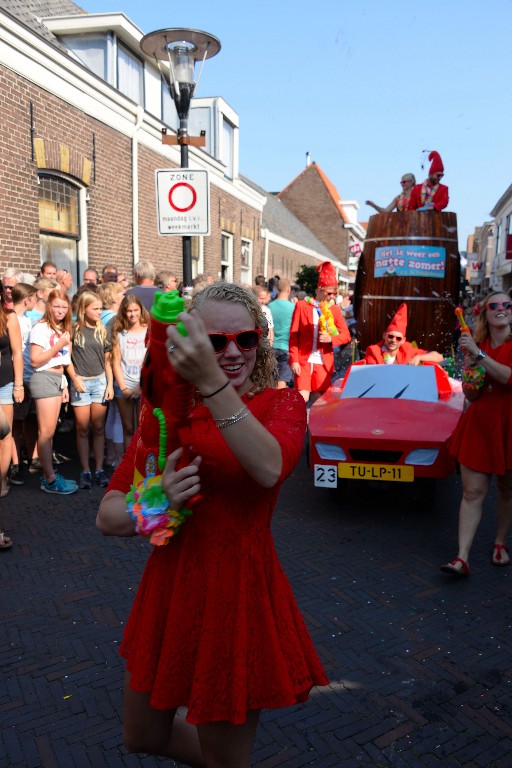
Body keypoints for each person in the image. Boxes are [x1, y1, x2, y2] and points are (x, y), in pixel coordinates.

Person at [96, 282, 328, 765]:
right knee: (141, 736)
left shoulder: (282, 405)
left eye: (244, 340)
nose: (232, 352)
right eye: (215, 342)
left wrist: (211, 383)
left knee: (225, 756)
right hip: (169, 586)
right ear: (190, 342)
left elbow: (268, 467)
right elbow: (109, 515)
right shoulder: (162, 417)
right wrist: (152, 507)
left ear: (259, 343)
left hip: (236, 591)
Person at [441, 292, 512, 577]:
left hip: (508, 426)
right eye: (494, 306)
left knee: (507, 490)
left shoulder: (485, 349)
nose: (501, 309)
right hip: (481, 426)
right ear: (485, 314)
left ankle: (499, 542)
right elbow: (471, 394)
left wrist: (480, 358)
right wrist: (471, 372)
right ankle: (462, 557)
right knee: (471, 493)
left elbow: (508, 377)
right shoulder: (477, 345)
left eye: (507, 305)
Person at [29, 288, 78, 494]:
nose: (60, 310)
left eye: (64, 307)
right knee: (45, 432)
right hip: (44, 378)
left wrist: (65, 384)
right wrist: (59, 344)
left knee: (50, 434)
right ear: (49, 306)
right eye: (56, 306)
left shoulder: (62, 328)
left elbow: (63, 360)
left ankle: (49, 475)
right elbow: (35, 360)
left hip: (57, 379)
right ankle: (50, 479)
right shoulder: (41, 327)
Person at [68, 292, 114, 489]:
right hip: (81, 383)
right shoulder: (73, 329)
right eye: (95, 308)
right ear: (84, 309)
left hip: (100, 382)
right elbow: (66, 358)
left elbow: (108, 361)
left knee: (98, 427)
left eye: (100, 308)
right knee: (82, 428)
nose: (99, 312)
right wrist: (74, 378)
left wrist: (110, 384)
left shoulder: (103, 330)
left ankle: (99, 469)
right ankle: (85, 469)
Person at [289, 261, 350, 403]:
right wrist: (294, 360)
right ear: (320, 289)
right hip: (303, 361)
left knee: (319, 401)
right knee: (301, 399)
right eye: (330, 293)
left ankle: (314, 426)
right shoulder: (302, 306)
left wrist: (331, 339)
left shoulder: (334, 310)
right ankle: (299, 425)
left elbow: (346, 336)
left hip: (323, 362)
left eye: (335, 293)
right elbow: (293, 336)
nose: (332, 297)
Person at [111, 294, 149, 449]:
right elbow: (116, 362)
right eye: (129, 311)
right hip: (124, 385)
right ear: (124, 312)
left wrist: (140, 387)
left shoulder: (148, 331)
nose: (133, 314)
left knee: (143, 428)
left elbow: (151, 361)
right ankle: (128, 464)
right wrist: (123, 387)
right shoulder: (120, 333)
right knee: (128, 428)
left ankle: (140, 465)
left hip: (143, 385)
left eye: (136, 310)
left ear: (141, 310)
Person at [10, 283, 38, 486]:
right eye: (34, 297)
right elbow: (15, 353)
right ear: (27, 299)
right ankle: (15, 464)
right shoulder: (14, 320)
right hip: (20, 378)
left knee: (30, 420)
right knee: (16, 424)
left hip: (32, 378)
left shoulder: (28, 320)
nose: (36, 301)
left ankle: (32, 458)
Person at [0, 281, 24, 497]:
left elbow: (17, 353)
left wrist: (18, 385)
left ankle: (2, 480)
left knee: (4, 433)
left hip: (5, 382)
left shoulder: (9, 317)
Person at [364, 303, 444, 365]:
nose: (393, 340)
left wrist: (419, 357)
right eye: (390, 336)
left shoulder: (407, 349)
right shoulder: (373, 351)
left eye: (398, 338)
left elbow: (439, 357)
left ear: (403, 340)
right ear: (384, 335)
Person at [269, 278, 294, 388]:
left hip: (271, 346)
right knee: (282, 380)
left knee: (271, 379)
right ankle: (279, 405)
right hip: (286, 347)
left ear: (276, 289)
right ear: (288, 290)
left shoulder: (269, 306)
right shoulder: (293, 307)